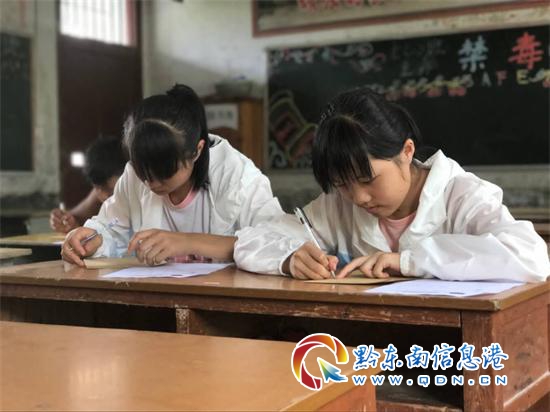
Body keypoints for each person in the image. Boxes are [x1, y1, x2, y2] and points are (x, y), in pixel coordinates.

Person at [234, 87, 550, 283]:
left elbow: (530, 257)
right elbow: (252, 240)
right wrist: (289, 258)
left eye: (368, 179)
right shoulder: (337, 206)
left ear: (406, 151)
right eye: (342, 184)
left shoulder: (461, 196)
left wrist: (410, 261)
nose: (358, 197)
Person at [61, 84, 283, 267]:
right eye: (143, 172)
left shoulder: (237, 176)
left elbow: (275, 241)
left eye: (164, 172)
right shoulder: (133, 178)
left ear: (197, 150)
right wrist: (92, 239)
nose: (152, 183)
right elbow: (111, 227)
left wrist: (187, 242)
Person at [50, 136, 126, 233]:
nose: (104, 197)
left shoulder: (141, 188)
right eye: (97, 188)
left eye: (111, 192)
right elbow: (75, 216)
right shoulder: (103, 189)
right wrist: (65, 220)